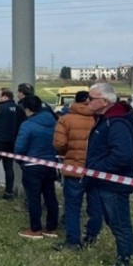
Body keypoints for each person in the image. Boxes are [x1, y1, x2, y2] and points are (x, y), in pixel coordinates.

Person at [83, 83, 133, 265]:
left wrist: (96, 168)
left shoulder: (116, 123)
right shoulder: (104, 119)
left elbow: (122, 156)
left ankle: (126, 258)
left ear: (104, 101)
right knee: (113, 222)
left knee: (120, 223)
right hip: (103, 182)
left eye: (91, 98)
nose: (87, 101)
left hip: (113, 184)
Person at [52, 90, 100, 250]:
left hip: (73, 168)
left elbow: (59, 144)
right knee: (95, 205)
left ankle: (73, 241)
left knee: (73, 207)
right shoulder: (98, 118)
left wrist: (66, 153)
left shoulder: (65, 119)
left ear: (74, 101)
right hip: (95, 169)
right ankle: (92, 237)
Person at [14, 95, 59, 239]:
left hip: (32, 165)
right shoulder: (52, 122)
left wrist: (20, 160)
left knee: (34, 198)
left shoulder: (27, 125)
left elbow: (20, 148)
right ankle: (51, 228)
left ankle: (35, 229)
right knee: (50, 196)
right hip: (50, 164)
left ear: (27, 109)